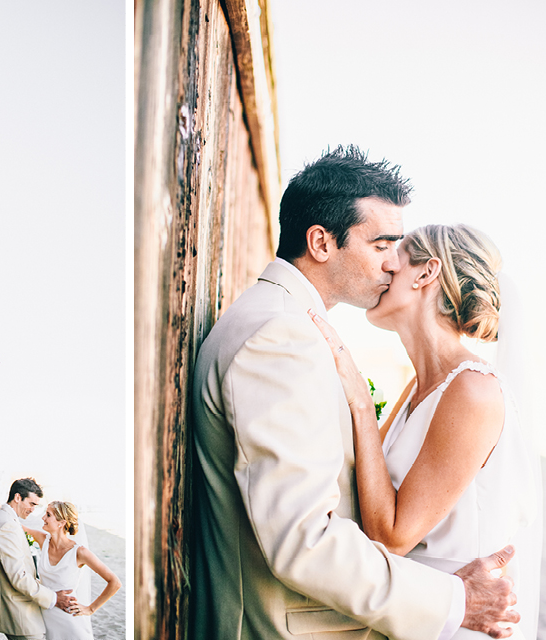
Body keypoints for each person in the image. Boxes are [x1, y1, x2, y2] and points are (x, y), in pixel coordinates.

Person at [190, 145, 519, 640]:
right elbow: (304, 541)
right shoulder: (281, 337)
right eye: (383, 245)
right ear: (322, 243)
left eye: (399, 250)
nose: (391, 265)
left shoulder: (289, 326)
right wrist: (453, 600)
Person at [309, 224, 541, 639]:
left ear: (425, 273)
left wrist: (361, 403)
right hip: (417, 618)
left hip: (459, 626)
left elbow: (391, 536)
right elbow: (367, 502)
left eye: (393, 257)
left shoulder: (473, 390)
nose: (382, 266)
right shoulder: (418, 390)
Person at [0, 478, 76, 640]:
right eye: (32, 504)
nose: (33, 510)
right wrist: (54, 599)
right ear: (18, 498)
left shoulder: (6, 519)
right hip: (21, 615)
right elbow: (18, 577)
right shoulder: (7, 525)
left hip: (22, 611)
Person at [22, 501, 121, 640]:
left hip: (70, 620)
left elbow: (115, 582)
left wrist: (90, 609)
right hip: (46, 615)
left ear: (61, 523)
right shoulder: (42, 539)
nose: (43, 518)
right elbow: (15, 527)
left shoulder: (80, 552)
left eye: (48, 515)